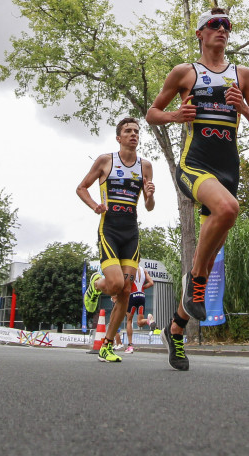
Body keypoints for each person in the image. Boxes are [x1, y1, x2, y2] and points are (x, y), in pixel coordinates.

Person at [146, 8, 249, 371]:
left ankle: (177, 329)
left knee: (214, 243)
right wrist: (174, 116)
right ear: (200, 33)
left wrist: (244, 109)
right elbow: (154, 112)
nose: (222, 29)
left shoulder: (243, 75)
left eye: (227, 25)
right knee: (229, 210)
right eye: (214, 25)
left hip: (228, 171)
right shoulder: (185, 73)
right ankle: (196, 280)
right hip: (194, 165)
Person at [77, 117, 156, 364]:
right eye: (128, 131)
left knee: (125, 292)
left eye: (136, 131)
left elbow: (149, 207)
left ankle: (107, 345)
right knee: (114, 284)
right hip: (109, 229)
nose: (133, 134)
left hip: (131, 233)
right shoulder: (105, 161)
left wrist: (151, 196)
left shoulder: (145, 166)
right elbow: (81, 188)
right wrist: (95, 206)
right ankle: (96, 285)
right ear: (118, 137)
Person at [122, 263, 154, 354]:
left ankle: (130, 345)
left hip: (133, 295)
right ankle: (148, 320)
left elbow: (126, 283)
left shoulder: (130, 269)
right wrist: (143, 288)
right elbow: (151, 283)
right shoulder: (144, 270)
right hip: (142, 296)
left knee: (129, 320)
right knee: (140, 322)